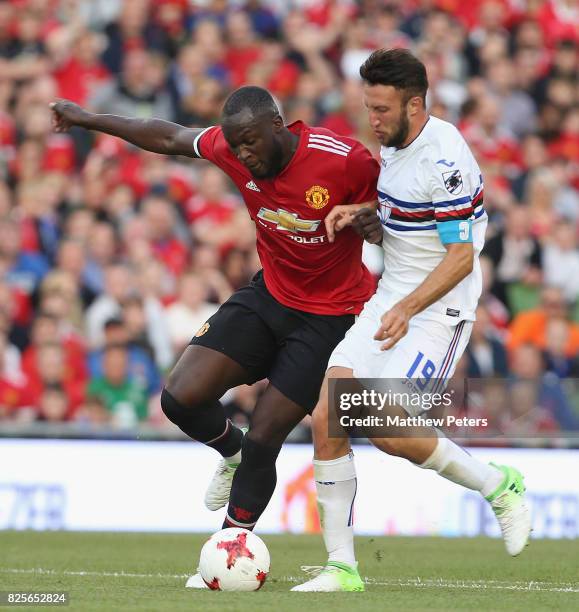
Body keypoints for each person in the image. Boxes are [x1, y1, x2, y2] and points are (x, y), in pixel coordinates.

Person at [50, 85, 383, 587]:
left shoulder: (345, 161)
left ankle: (230, 550)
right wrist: (85, 118)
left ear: (278, 124)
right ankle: (230, 450)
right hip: (268, 296)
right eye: (236, 145)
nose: (244, 154)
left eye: (251, 142)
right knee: (179, 397)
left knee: (267, 437)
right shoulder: (233, 150)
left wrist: (368, 219)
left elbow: (397, 213)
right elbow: (166, 135)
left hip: (329, 317)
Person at [293, 49, 532, 593]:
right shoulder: (396, 141)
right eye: (369, 107)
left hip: (436, 312)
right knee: (328, 413)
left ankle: (499, 486)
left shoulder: (444, 156)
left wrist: (407, 308)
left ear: (416, 105)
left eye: (381, 109)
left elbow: (460, 256)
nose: (371, 120)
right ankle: (341, 568)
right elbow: (408, 220)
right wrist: (363, 217)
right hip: (392, 299)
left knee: (386, 428)